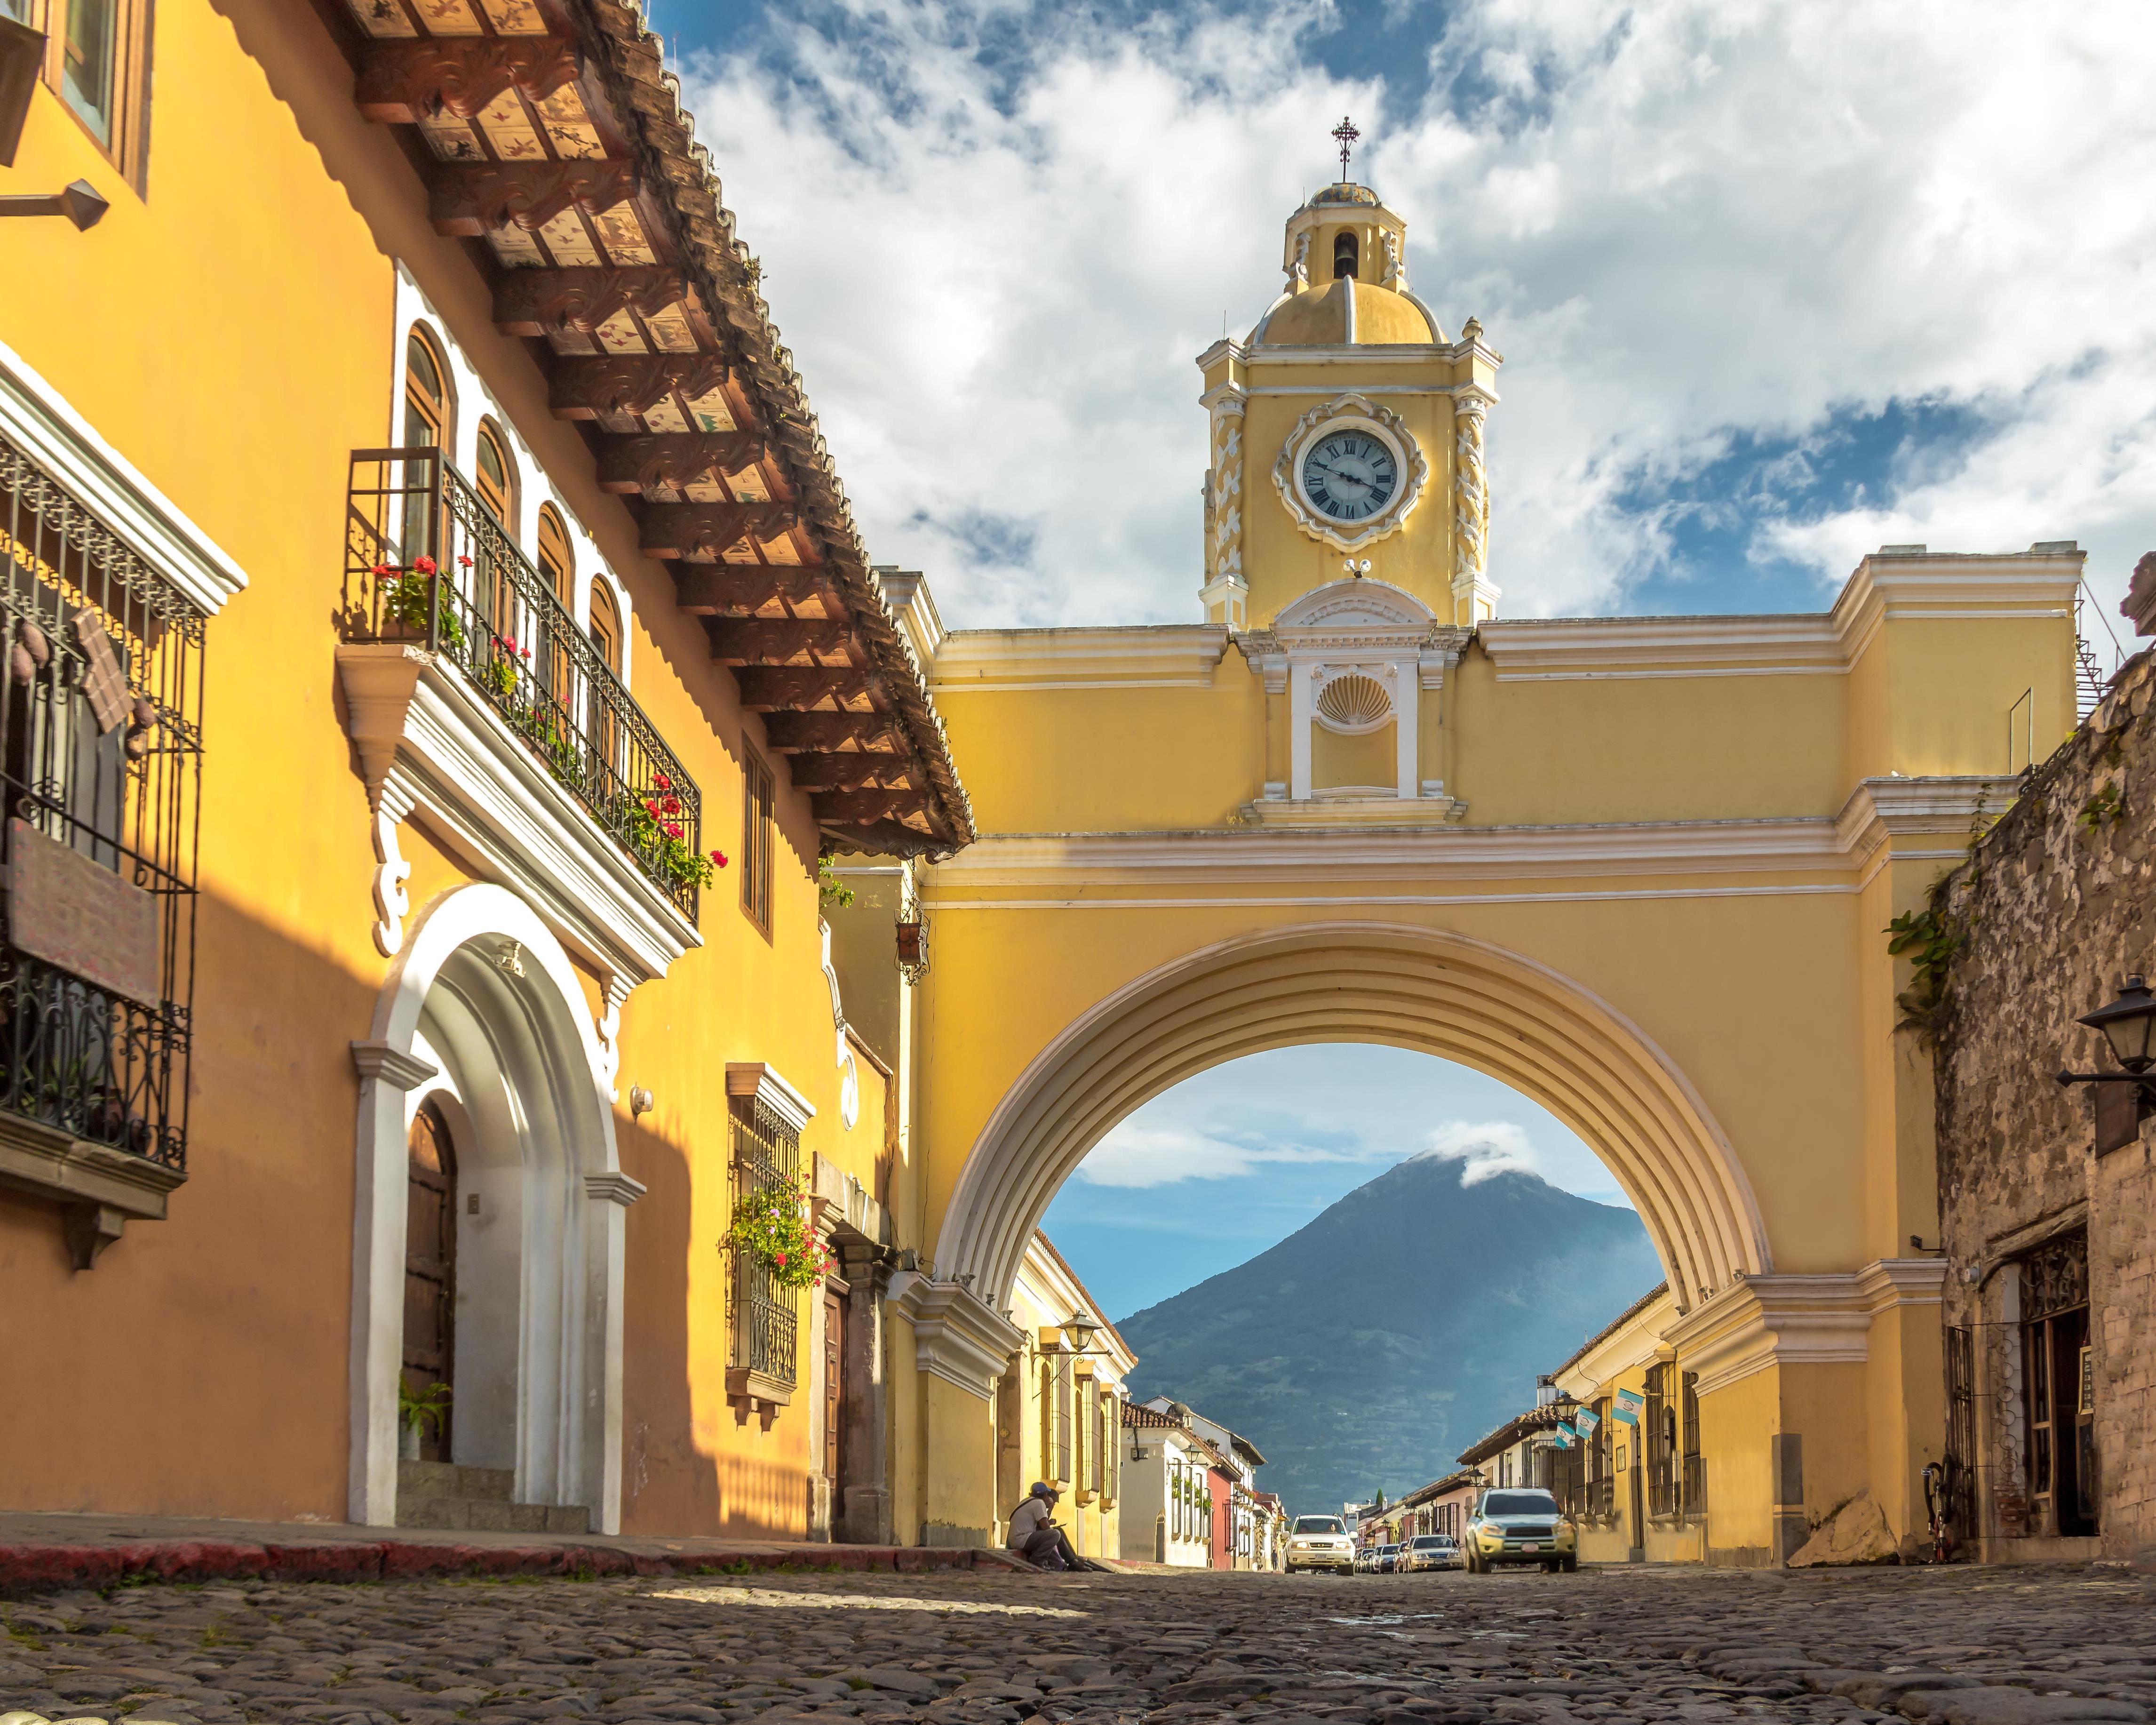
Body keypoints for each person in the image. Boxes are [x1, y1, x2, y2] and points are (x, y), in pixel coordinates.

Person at [1006, 1481, 1092, 1571]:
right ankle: (1038, 1559)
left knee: (1058, 1531)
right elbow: (1045, 1528)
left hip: (1018, 1539)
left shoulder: (1027, 1501)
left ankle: (1072, 1561)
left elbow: (1042, 1525)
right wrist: (1051, 1508)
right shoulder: (1039, 1503)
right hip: (1021, 1540)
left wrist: (1049, 1519)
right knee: (1055, 1534)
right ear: (1045, 1495)